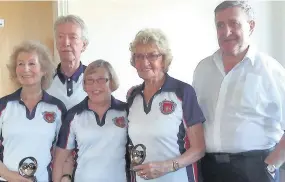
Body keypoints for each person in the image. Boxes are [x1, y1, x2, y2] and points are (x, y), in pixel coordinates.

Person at [192, 1, 285, 182]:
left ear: (250, 26)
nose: (226, 32)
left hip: (255, 169)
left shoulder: (271, 71)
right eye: (220, 25)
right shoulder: (203, 69)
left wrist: (272, 165)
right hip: (209, 168)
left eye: (234, 23)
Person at [127, 28, 206, 182]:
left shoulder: (183, 92)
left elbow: (199, 149)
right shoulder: (132, 96)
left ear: (163, 60)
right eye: (139, 56)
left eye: (152, 55)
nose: (144, 62)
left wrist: (166, 166)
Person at [52, 60, 130, 182]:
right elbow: (60, 160)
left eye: (101, 80)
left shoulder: (126, 111)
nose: (95, 86)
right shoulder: (74, 115)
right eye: (90, 80)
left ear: (112, 82)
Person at [0, 40, 66, 182]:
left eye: (32, 63)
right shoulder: (3, 106)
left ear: (44, 70)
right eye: (20, 64)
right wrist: (11, 177)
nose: (25, 69)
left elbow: (63, 154)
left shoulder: (57, 108)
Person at [47, 14, 89, 181]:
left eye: (73, 37)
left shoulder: (96, 80)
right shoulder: (43, 80)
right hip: (51, 164)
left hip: (87, 162)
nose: (66, 43)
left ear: (84, 45)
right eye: (61, 37)